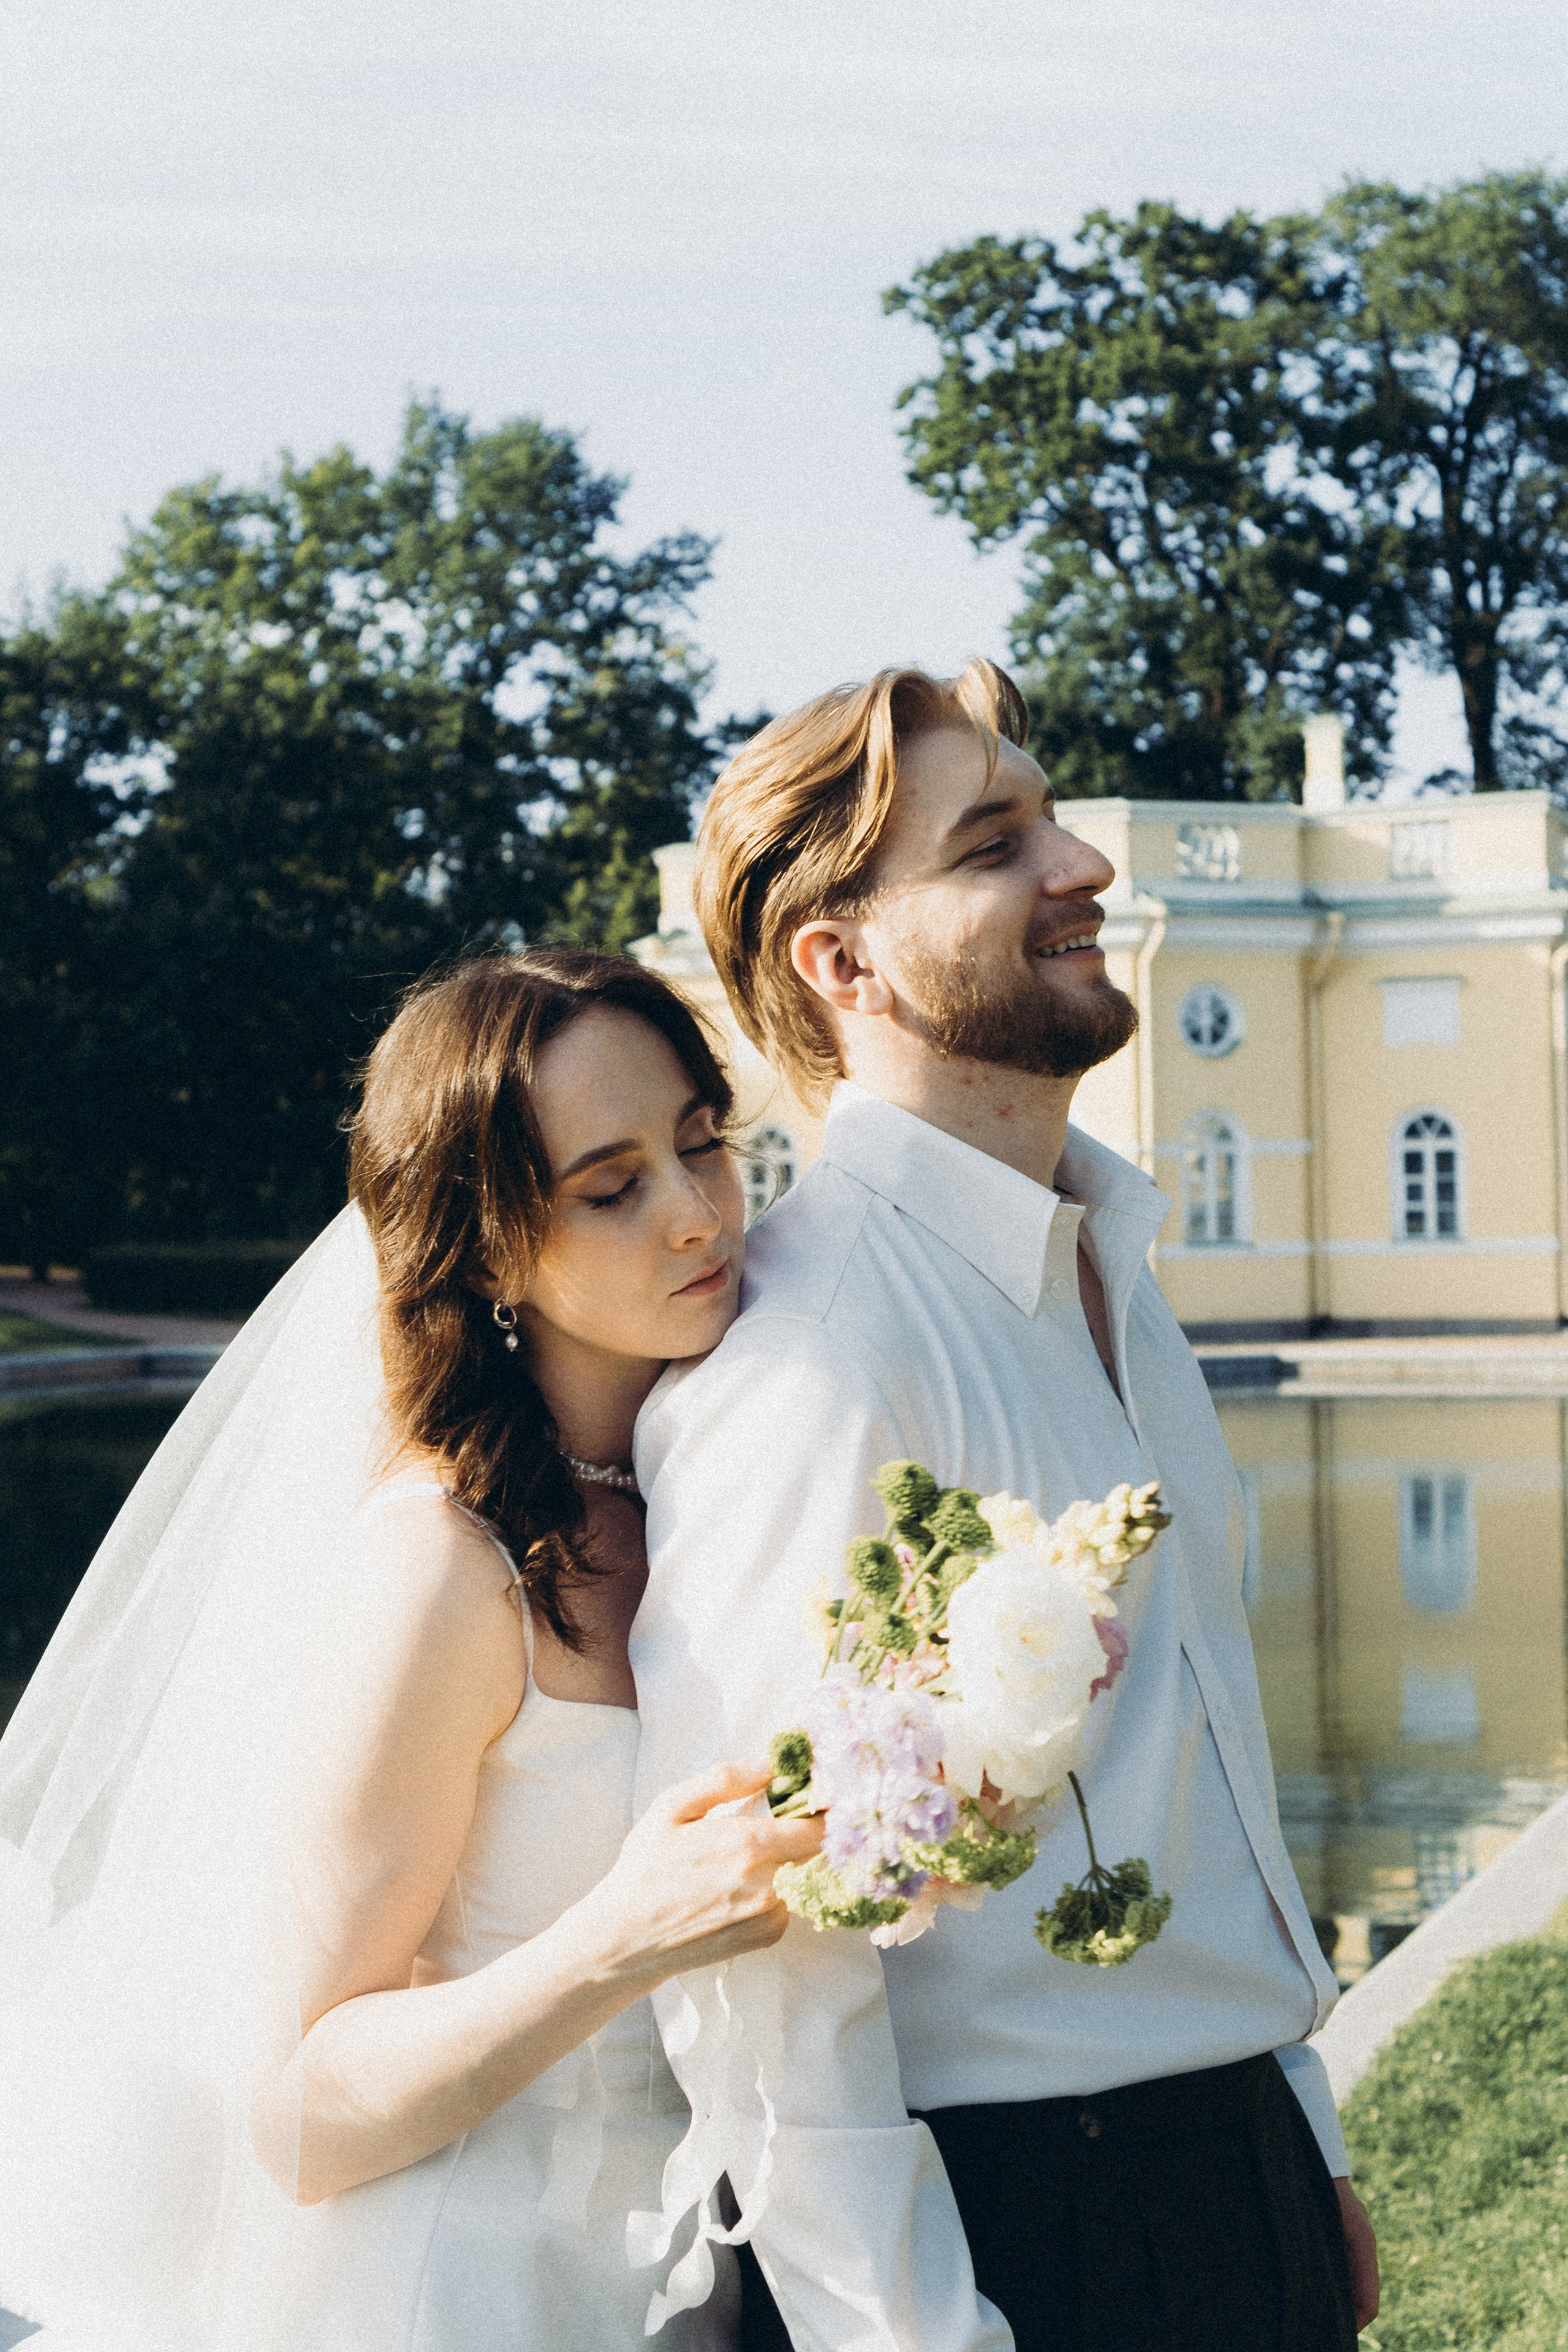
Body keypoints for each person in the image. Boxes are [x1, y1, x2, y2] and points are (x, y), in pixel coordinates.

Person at [628, 662, 1381, 2350]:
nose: (1083, 867)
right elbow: (760, 1954)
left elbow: (1207, 1748)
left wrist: (1298, 2132)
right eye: (996, 844)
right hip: (1012, 2232)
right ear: (845, 960)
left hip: (1221, 2160)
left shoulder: (1109, 1258)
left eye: (1049, 815)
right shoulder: (815, 1358)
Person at [0, 949, 818, 2351]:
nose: (697, 1216)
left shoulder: (725, 1488)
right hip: (454, 2284)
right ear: (492, 1244)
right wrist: (619, 1938)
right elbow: (302, 2112)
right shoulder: (442, 1565)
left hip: (692, 2273)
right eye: (613, 1188)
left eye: (704, 1144)